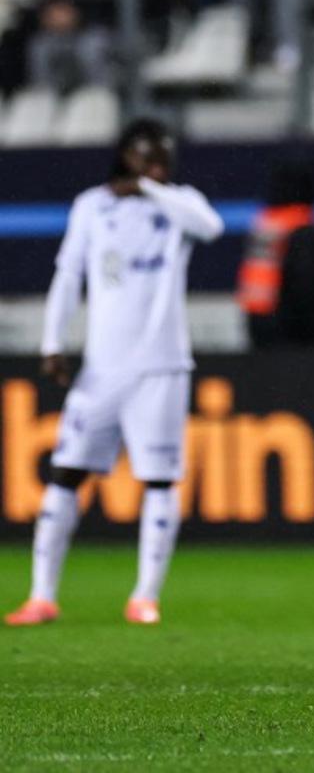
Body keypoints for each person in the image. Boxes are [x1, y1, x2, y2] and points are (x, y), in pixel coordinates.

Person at [5, 119, 224, 628]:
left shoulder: (179, 205)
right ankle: (42, 596)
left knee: (160, 479)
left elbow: (211, 228)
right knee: (65, 473)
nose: (156, 164)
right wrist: (53, 342)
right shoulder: (92, 205)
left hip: (162, 367)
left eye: (163, 157)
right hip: (102, 369)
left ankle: (145, 596)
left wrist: (149, 188)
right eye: (146, 156)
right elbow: (69, 274)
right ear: (124, 154)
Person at [238, 160, 314, 349]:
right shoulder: (302, 227)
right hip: (292, 331)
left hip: (257, 324)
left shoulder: (264, 224)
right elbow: (304, 285)